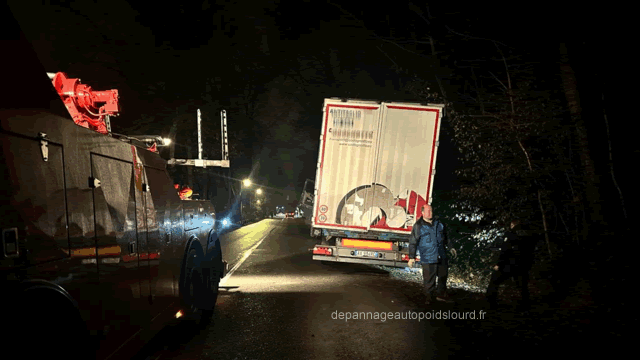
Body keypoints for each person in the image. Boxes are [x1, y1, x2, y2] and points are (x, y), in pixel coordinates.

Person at [408, 204, 456, 304]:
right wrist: (411, 257)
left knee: (443, 276)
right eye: (427, 211)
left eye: (431, 210)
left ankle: (441, 295)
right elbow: (413, 242)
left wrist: (451, 247)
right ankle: (429, 299)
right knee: (429, 280)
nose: (430, 212)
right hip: (428, 258)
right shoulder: (418, 226)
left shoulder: (439, 223)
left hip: (441, 256)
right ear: (422, 213)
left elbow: (446, 236)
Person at [485, 219, 536, 310]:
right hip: (523, 264)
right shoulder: (530, 234)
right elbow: (531, 250)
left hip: (510, 264)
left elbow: (505, 250)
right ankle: (526, 304)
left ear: (513, 225)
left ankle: (490, 302)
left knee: (495, 280)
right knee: (522, 284)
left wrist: (499, 264)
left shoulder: (511, 233)